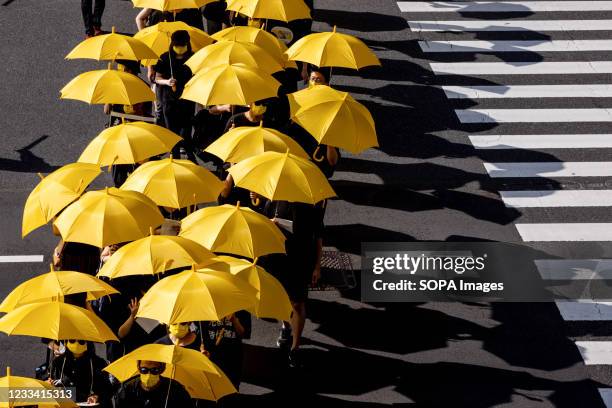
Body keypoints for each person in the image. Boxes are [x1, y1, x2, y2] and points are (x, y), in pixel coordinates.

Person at [154, 30, 196, 161]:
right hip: (169, 102)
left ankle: (190, 158)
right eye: (177, 45)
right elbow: (157, 78)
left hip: (187, 102)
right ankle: (175, 159)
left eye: (182, 45)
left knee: (185, 133)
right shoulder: (165, 58)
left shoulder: (194, 58)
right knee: (172, 135)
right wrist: (167, 81)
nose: (180, 48)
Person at [49, 340, 112, 406]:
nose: (76, 344)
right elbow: (45, 393)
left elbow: (108, 389)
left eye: (81, 341)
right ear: (66, 342)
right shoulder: (57, 362)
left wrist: (97, 397)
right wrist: (48, 386)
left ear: (87, 343)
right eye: (72, 340)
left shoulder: (98, 363)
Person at [200, 311, 251, 388]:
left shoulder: (241, 308)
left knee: (232, 389)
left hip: (233, 358)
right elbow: (200, 336)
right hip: (211, 358)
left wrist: (234, 320)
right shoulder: (205, 307)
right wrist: (202, 350)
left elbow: (244, 334)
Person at [115, 360, 193, 408]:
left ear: (162, 369)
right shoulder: (127, 389)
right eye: (144, 370)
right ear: (139, 368)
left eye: (154, 370)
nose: (149, 375)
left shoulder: (174, 389)